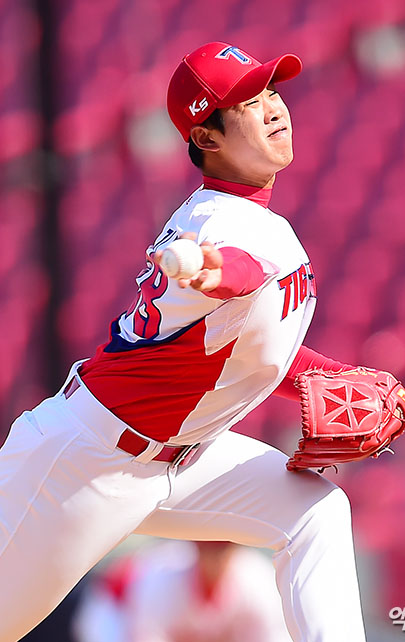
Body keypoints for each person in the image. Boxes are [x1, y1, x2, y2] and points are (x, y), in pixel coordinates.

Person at [0, 42, 367, 641]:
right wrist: (205, 266)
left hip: (180, 455)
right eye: (247, 102)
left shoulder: (247, 218)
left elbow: (249, 347)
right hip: (84, 464)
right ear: (207, 137)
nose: (273, 108)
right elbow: (235, 269)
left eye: (271, 91)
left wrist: (336, 377)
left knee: (316, 513)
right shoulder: (217, 224)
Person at [72, 539, 293, 642]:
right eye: (207, 546)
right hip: (116, 605)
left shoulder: (257, 581)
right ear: (195, 545)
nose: (215, 556)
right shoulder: (166, 577)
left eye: (223, 547)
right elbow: (146, 636)